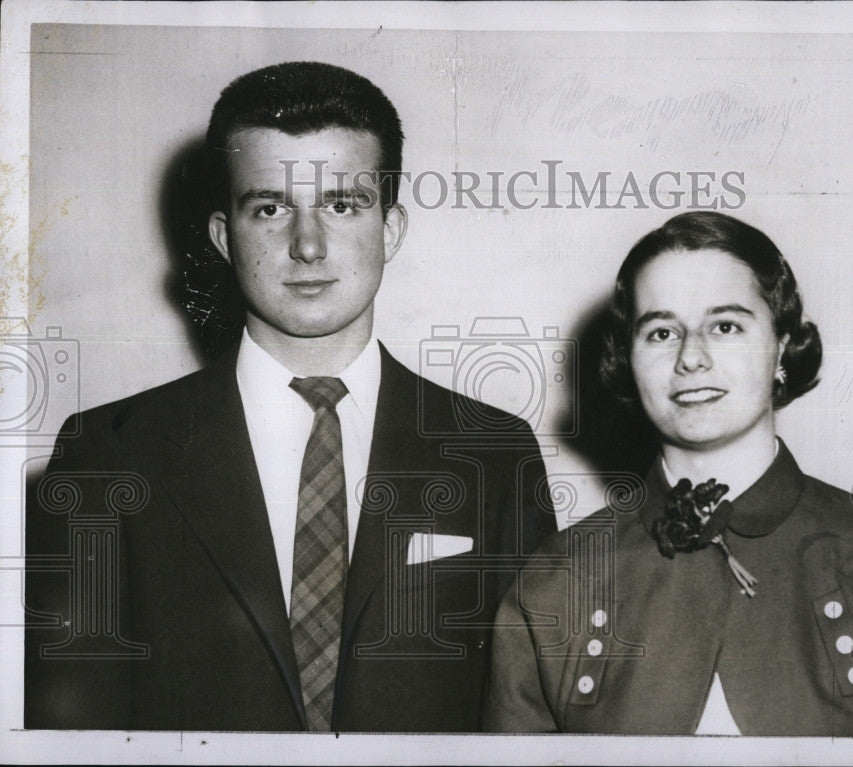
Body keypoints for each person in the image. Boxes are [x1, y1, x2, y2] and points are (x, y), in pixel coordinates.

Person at [24, 61, 555, 732]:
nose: (307, 245)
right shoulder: (108, 452)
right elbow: (69, 730)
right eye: (270, 207)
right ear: (224, 236)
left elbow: (531, 720)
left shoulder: (495, 451)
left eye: (341, 204)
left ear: (390, 228)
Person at [483, 212, 853, 753]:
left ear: (782, 348)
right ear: (628, 362)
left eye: (725, 326)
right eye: (661, 331)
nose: (691, 358)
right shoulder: (557, 579)